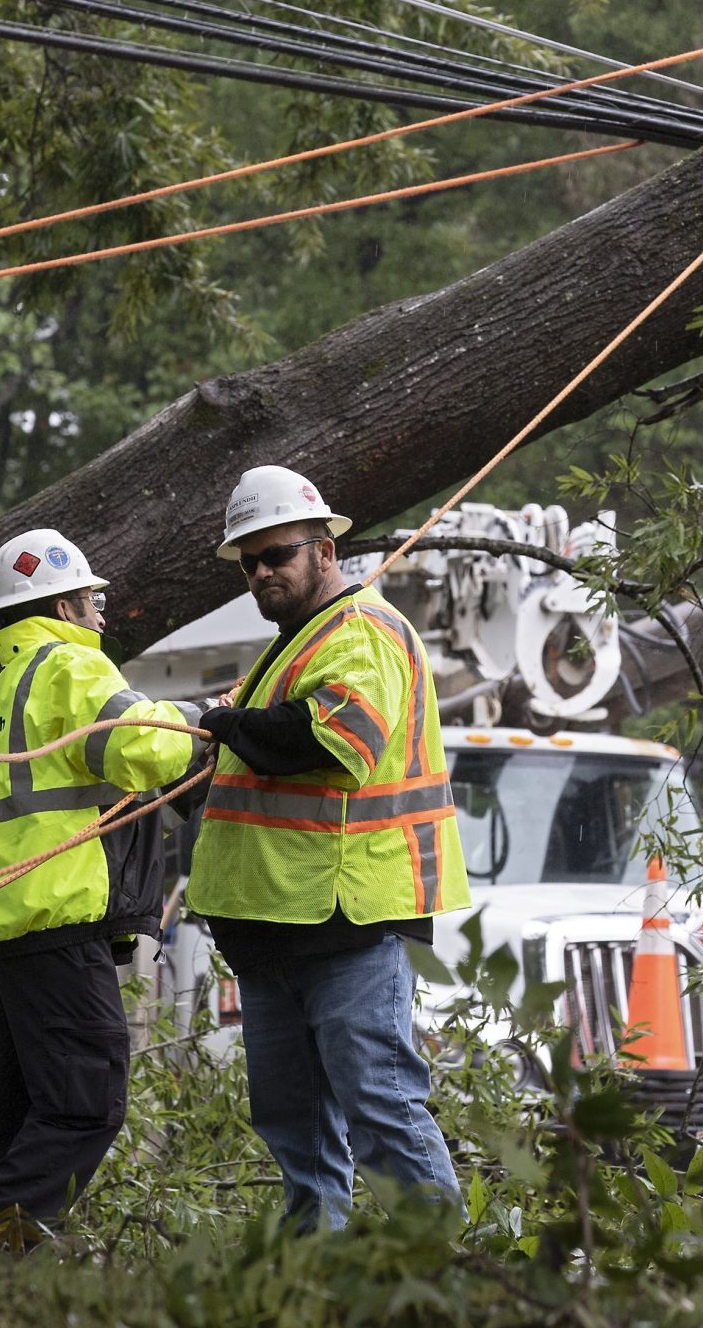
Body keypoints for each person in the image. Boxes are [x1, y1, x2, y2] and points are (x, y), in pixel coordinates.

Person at [183, 466, 472, 1229]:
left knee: (379, 1107)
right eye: (249, 561)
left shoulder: (363, 630)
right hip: (278, 923)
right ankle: (312, 1282)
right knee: (296, 1130)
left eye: (276, 553)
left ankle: (445, 1272)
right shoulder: (294, 646)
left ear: (324, 547)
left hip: (351, 919)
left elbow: (330, 740)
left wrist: (225, 724)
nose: (262, 571)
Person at [0, 527, 210, 1244]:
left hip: (12, 931)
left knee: (32, 1113)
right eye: (93, 598)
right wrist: (199, 719)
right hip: (55, 917)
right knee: (85, 1101)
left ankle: (1, 1275)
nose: (102, 610)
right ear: (63, 605)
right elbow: (141, 745)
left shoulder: (10, 687)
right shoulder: (70, 665)